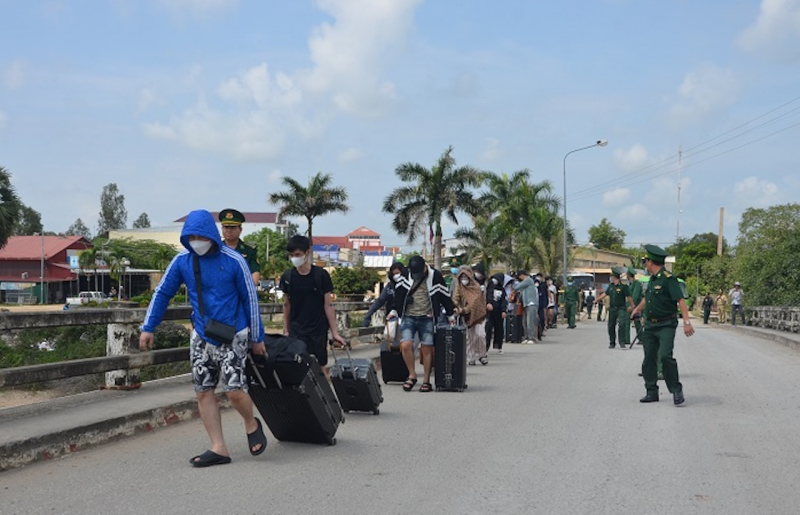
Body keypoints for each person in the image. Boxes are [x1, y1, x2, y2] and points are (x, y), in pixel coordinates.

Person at [139, 209, 267, 467]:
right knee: (203, 391)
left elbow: (249, 299)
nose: (197, 240)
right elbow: (162, 293)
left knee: (233, 391)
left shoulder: (234, 260)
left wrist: (257, 336)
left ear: (211, 234)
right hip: (201, 335)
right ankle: (219, 448)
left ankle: (251, 422)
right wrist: (148, 327)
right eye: (192, 235)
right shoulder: (182, 262)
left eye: (201, 235)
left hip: (234, 332)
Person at [631, 245, 695, 405]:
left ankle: (676, 389)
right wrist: (637, 310)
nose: (645, 264)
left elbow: (680, 300)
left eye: (646, 261)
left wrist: (687, 323)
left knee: (666, 356)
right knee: (649, 359)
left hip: (666, 324)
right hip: (650, 326)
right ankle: (651, 391)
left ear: (651, 262)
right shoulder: (652, 280)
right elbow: (648, 299)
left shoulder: (668, 279)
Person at [279, 235, 347, 377]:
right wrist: (286, 329)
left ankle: (326, 398)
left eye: (297, 254)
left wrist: (334, 333)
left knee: (320, 368)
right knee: (298, 368)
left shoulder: (321, 275)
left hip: (317, 329)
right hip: (296, 330)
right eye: (291, 255)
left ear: (307, 252)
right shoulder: (287, 277)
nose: (294, 258)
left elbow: (328, 306)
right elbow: (287, 304)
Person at [391, 255, 455, 392]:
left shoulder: (435, 276)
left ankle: (426, 380)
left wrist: (450, 314)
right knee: (406, 345)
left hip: (427, 317)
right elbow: (398, 293)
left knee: (426, 348)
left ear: (425, 267)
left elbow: (444, 296)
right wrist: (395, 309)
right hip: (408, 316)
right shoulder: (405, 275)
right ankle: (412, 375)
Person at [362, 262, 405, 349]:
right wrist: (368, 315)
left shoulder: (408, 285)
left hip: (405, 319)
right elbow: (380, 300)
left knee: (404, 345)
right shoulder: (389, 287)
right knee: (390, 344)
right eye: (394, 274)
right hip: (391, 319)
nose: (396, 276)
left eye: (398, 273)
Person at [452, 265, 489, 365]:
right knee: (470, 337)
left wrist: (464, 310)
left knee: (480, 335)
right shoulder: (459, 288)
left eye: (466, 277)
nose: (464, 280)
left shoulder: (476, 287)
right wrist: (455, 306)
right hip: (467, 317)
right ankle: (471, 357)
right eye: (462, 278)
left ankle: (482, 355)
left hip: (479, 315)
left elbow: (474, 303)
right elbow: (455, 298)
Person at [219, 209, 261, 286]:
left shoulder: (249, 251)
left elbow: (255, 272)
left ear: (240, 230)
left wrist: (249, 290)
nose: (229, 230)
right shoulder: (216, 249)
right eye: (226, 227)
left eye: (233, 227)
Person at [594, 268, 634, 349]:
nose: (611, 278)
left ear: (615, 277)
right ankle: (612, 342)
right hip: (612, 309)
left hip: (621, 308)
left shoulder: (624, 287)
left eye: (612, 276)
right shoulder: (610, 286)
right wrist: (597, 299)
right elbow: (605, 294)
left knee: (622, 324)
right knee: (611, 326)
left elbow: (629, 297)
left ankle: (622, 342)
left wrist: (633, 306)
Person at [513, 270, 539, 344]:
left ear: (522, 275)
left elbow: (517, 287)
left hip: (531, 304)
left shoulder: (528, 280)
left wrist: (513, 289)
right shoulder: (525, 285)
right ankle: (527, 337)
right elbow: (521, 294)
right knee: (524, 322)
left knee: (530, 321)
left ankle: (532, 338)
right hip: (525, 304)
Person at [486, 272, 508, 354]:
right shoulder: (489, 287)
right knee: (488, 329)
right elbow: (487, 296)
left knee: (499, 330)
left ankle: (498, 346)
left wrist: (503, 310)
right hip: (489, 312)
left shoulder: (502, 290)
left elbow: (503, 301)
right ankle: (485, 347)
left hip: (498, 312)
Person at [627, 267, 643, 342]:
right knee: (627, 322)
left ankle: (642, 338)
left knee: (637, 322)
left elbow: (635, 296)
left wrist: (632, 306)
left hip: (636, 306)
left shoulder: (637, 284)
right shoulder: (630, 284)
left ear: (629, 275)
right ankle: (626, 339)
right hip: (631, 305)